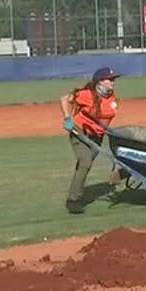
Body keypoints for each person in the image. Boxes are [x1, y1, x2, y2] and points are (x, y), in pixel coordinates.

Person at [60, 67, 121, 214]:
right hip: (80, 132)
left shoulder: (112, 98)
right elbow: (64, 99)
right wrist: (68, 118)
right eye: (109, 79)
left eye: (113, 79)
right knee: (85, 162)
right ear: (100, 82)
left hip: (97, 137)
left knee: (84, 164)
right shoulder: (86, 95)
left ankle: (76, 189)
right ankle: (73, 201)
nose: (113, 82)